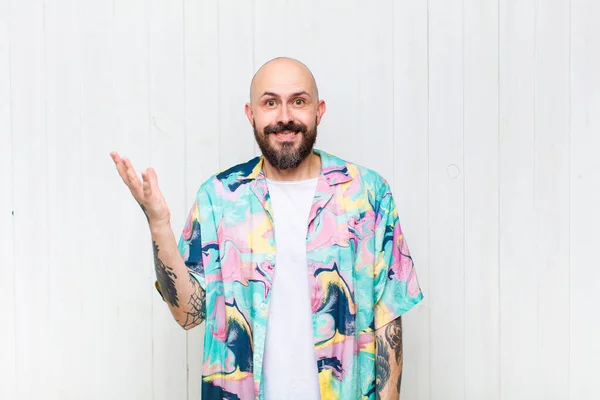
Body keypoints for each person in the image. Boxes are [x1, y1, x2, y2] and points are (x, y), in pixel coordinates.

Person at [110, 57, 423, 400]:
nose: (285, 116)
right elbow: (188, 313)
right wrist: (158, 224)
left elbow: (388, 315)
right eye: (270, 103)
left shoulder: (367, 193)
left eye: (298, 102)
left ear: (319, 111)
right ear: (251, 114)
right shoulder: (219, 197)